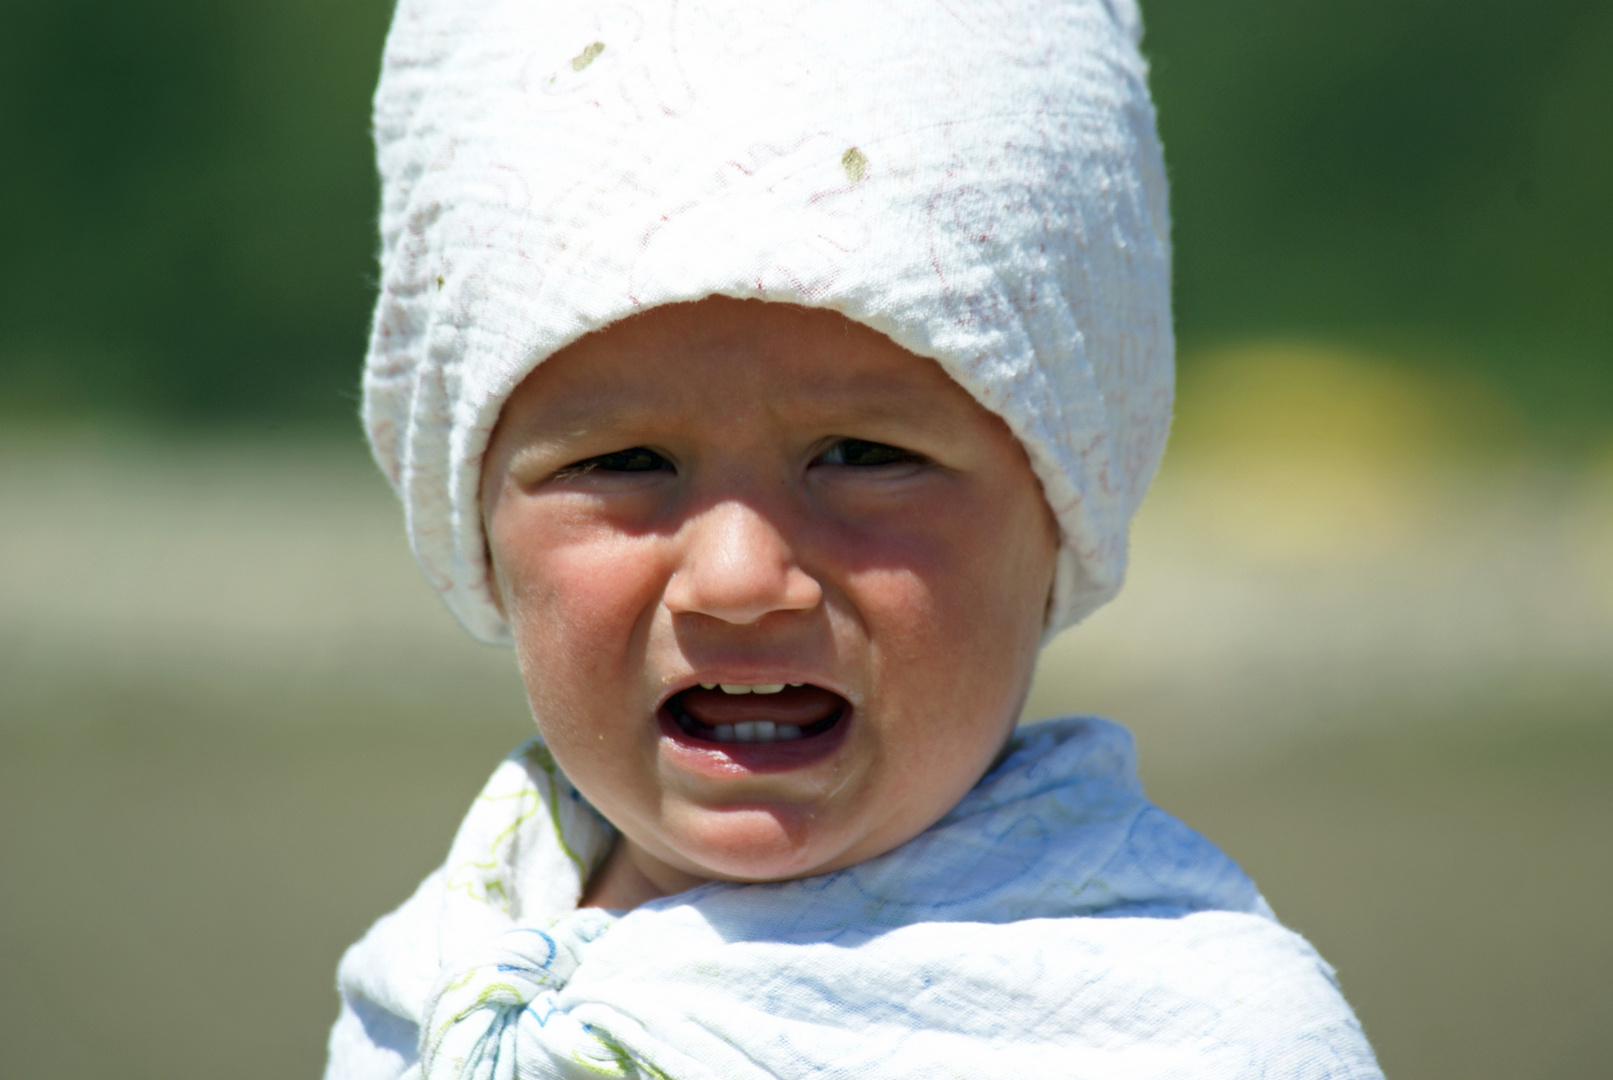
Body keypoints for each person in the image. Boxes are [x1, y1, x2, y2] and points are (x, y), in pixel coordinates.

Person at [326, 0, 1384, 1076]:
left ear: (1065, 510)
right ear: (479, 538)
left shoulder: (1193, 1037)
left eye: (864, 456)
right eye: (623, 464)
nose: (738, 578)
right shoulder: (429, 993)